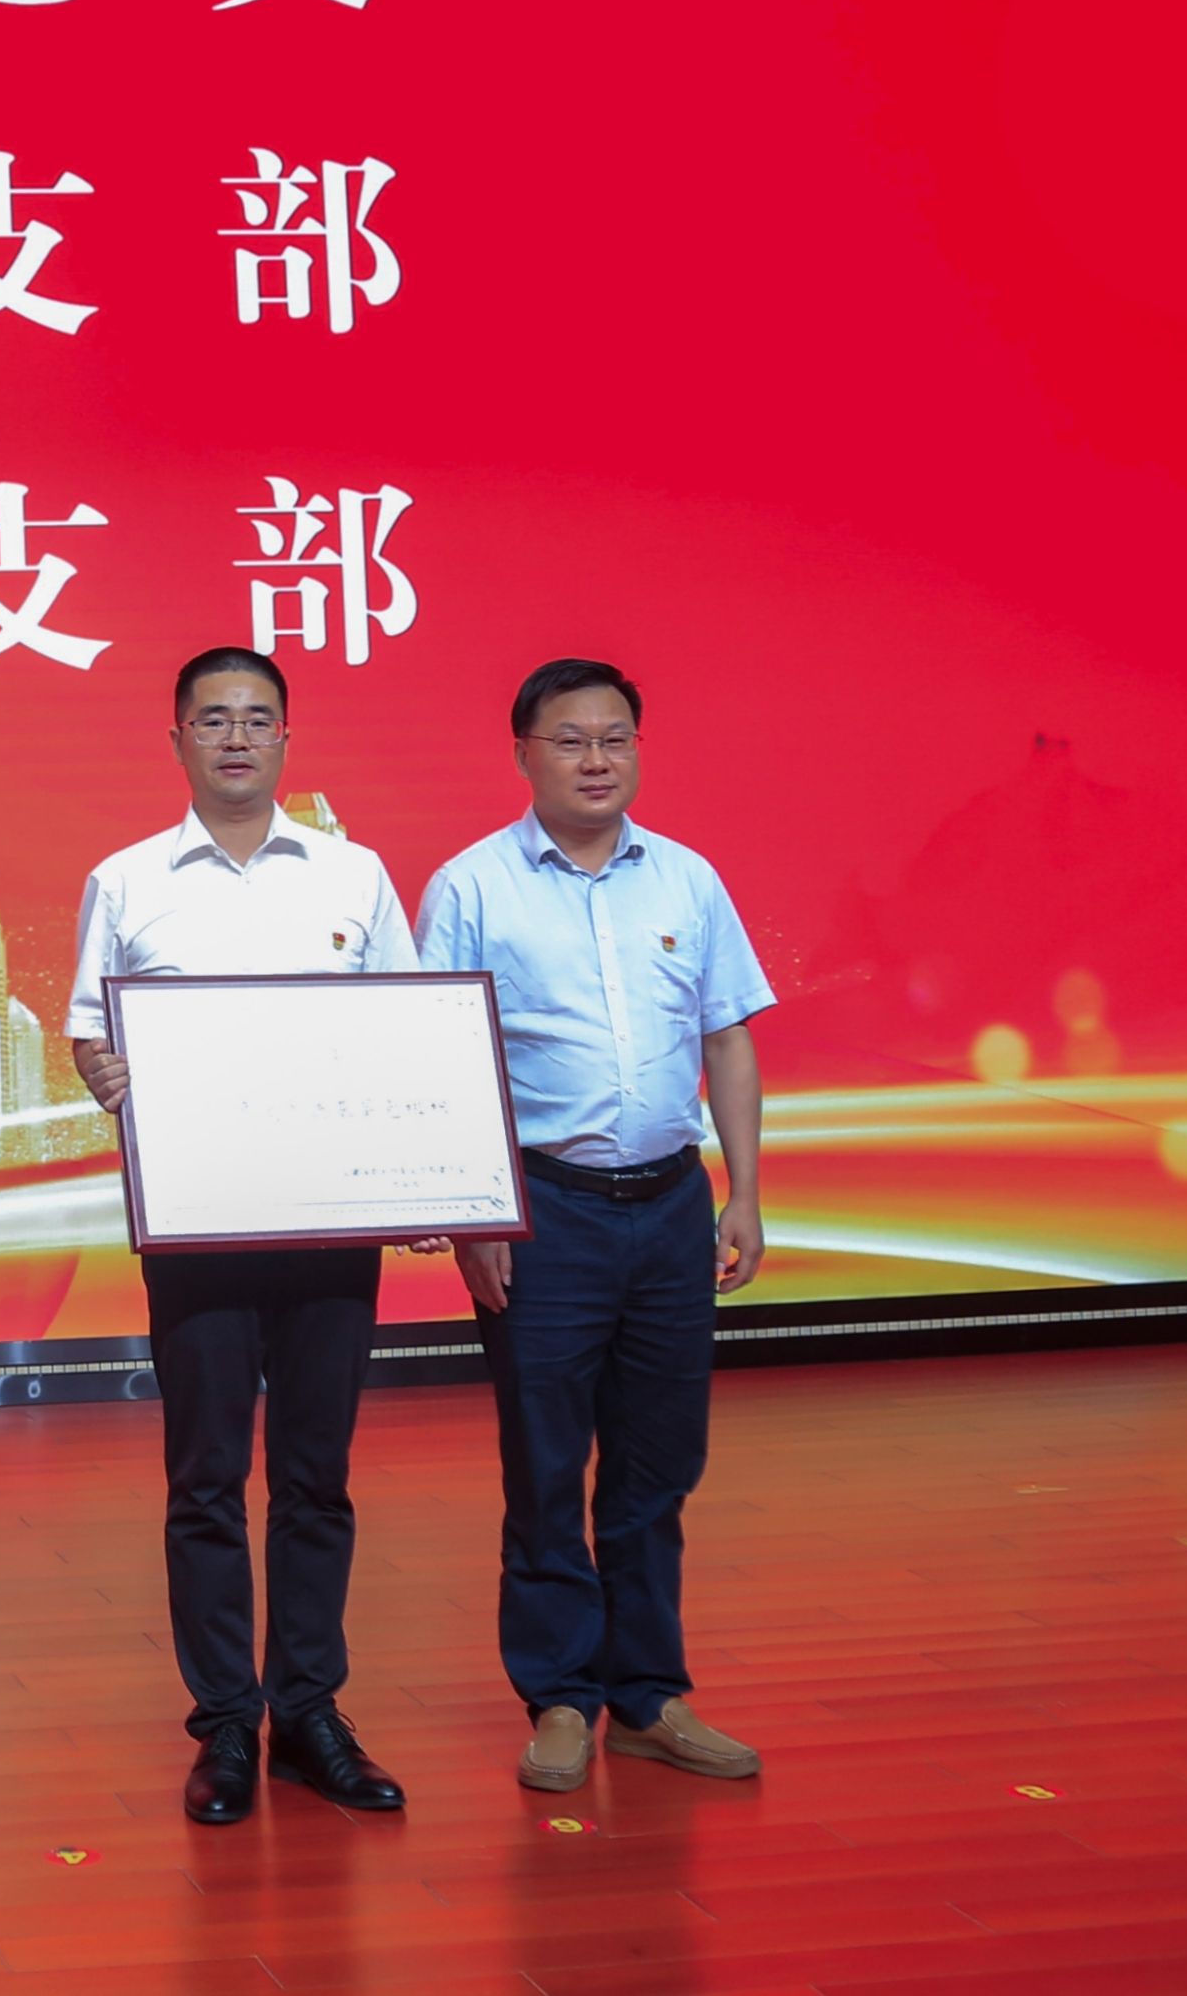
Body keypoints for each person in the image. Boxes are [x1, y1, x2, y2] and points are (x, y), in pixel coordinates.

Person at [67, 645, 419, 1828]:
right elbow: (89, 1031)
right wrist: (105, 1072)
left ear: (284, 739)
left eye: (256, 718)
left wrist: (427, 1176)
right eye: (211, 718)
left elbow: (407, 1030)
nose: (234, 737)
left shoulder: (354, 873)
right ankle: (224, 1717)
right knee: (206, 1476)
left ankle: (308, 1710)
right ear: (175, 739)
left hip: (331, 1221)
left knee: (316, 1476)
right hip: (199, 1224)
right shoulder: (125, 878)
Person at [417, 658, 770, 1796]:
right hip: (543, 1212)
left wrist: (743, 1189)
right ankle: (561, 1697)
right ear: (524, 753)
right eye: (570, 740)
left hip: (669, 1206)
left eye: (615, 738)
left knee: (659, 1462)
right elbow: (441, 1056)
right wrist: (472, 1212)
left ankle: (648, 1696)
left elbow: (726, 1034)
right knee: (545, 1464)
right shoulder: (472, 885)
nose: (596, 759)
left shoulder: (686, 879)